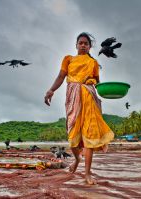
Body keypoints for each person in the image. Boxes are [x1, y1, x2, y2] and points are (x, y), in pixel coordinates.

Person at [44, 32, 114, 185]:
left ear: (89, 47)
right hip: (73, 97)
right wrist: (51, 90)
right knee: (73, 136)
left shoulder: (93, 63)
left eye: (86, 43)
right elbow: (61, 77)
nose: (83, 45)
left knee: (89, 135)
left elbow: (98, 83)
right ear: (76, 45)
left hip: (89, 97)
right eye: (80, 42)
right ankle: (77, 159)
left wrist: (108, 91)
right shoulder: (68, 59)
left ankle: (87, 173)